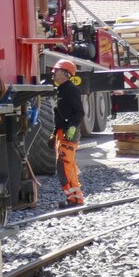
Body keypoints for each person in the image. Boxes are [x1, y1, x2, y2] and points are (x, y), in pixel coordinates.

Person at [52, 58, 85, 207]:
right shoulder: (62, 89)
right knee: (67, 165)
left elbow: (79, 112)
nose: (53, 72)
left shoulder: (70, 89)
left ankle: (75, 199)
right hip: (62, 132)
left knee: (65, 166)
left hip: (68, 133)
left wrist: (72, 127)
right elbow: (60, 114)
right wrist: (54, 134)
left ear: (66, 74)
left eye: (56, 71)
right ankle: (75, 198)